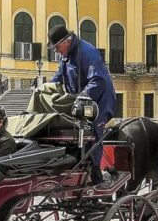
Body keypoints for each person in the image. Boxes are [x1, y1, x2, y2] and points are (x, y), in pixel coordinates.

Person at [40, 25, 116, 183]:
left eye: (56, 47)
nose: (56, 51)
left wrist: (83, 97)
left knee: (92, 130)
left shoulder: (88, 52)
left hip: (100, 101)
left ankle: (95, 174)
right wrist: (45, 87)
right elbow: (60, 75)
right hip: (79, 100)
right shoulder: (65, 55)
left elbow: (98, 80)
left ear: (66, 42)